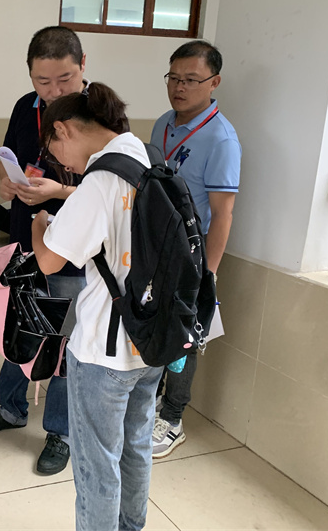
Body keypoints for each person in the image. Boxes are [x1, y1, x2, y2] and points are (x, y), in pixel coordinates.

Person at [31, 82, 164, 531]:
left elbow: (49, 260)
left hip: (103, 352)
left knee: (96, 466)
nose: (61, 165)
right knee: (135, 448)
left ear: (63, 130)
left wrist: (40, 225)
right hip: (152, 341)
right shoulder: (148, 159)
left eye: (54, 151)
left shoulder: (99, 179)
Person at [0, 26, 87, 476]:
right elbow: (9, 158)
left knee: (64, 343)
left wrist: (60, 190)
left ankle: (60, 432)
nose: (53, 91)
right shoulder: (25, 106)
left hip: (72, 252)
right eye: (43, 81)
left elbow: (113, 190)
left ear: (83, 65)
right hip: (24, 243)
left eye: (65, 79)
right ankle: (11, 408)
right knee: (17, 328)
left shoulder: (101, 116)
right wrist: (7, 181)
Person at [149, 40, 241, 458]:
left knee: (184, 336)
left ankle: (172, 419)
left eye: (191, 79)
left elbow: (222, 215)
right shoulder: (163, 124)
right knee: (153, 326)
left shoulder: (221, 139)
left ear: (214, 82)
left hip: (192, 254)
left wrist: (208, 275)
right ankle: (149, 403)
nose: (179, 87)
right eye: (173, 78)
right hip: (155, 246)